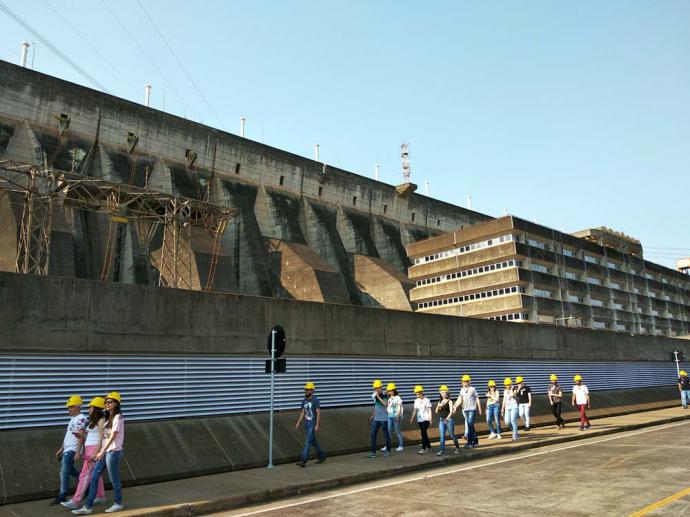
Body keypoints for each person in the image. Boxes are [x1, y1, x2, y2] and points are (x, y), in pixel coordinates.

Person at [73, 391, 125, 515]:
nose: (107, 404)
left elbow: (112, 436)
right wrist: (100, 451)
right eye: (106, 402)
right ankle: (88, 506)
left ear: (117, 403)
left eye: (110, 402)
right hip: (105, 451)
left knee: (114, 479)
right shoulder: (108, 418)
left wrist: (101, 451)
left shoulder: (118, 417)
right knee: (94, 477)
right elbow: (103, 436)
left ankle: (118, 503)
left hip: (112, 452)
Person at [61, 397, 107, 509]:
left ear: (97, 408)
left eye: (91, 407)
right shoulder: (92, 421)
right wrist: (81, 436)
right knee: (95, 475)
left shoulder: (101, 420)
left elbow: (102, 438)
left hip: (94, 450)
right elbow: (89, 436)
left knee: (84, 476)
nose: (89, 409)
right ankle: (101, 496)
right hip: (89, 449)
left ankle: (75, 500)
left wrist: (96, 453)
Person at [50, 395, 87, 506]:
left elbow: (81, 435)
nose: (68, 409)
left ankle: (62, 495)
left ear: (77, 406)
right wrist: (61, 449)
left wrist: (77, 451)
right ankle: (87, 484)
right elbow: (69, 435)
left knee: (64, 472)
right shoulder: (73, 419)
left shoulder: (81, 418)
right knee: (71, 471)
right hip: (68, 448)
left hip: (72, 449)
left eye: (70, 407)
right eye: (68, 407)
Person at [295, 382, 326, 467]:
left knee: (307, 442)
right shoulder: (304, 401)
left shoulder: (315, 400)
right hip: (307, 424)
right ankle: (322, 455)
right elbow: (302, 412)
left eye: (307, 390)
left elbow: (318, 413)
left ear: (312, 391)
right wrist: (298, 422)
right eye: (305, 389)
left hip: (312, 424)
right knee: (314, 442)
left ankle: (303, 460)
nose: (305, 391)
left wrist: (317, 425)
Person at [453, 374, 482, 448]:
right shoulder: (462, 390)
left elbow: (477, 399)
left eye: (466, 381)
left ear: (469, 382)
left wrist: (480, 409)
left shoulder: (473, 389)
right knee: (471, 426)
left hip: (472, 409)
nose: (464, 383)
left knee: (469, 426)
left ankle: (470, 443)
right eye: (463, 381)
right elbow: (460, 399)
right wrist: (455, 406)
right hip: (465, 410)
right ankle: (475, 441)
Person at [367, 380, 391, 458]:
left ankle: (388, 450)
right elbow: (376, 406)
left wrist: (377, 396)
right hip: (376, 418)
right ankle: (373, 452)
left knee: (386, 435)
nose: (376, 390)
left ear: (381, 387)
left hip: (384, 419)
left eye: (377, 388)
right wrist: (373, 415)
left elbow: (385, 404)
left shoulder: (385, 395)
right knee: (373, 434)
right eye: (375, 388)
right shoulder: (375, 395)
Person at [435, 385, 460, 455]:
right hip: (441, 420)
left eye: (444, 393)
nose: (443, 394)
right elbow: (436, 412)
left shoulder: (450, 401)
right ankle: (442, 450)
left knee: (452, 435)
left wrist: (447, 419)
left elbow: (451, 412)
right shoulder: (439, 401)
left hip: (449, 420)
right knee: (442, 436)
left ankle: (457, 447)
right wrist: (439, 405)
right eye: (442, 393)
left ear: (447, 393)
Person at [410, 385, 432, 454]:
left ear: (422, 392)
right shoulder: (416, 401)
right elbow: (414, 410)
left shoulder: (427, 400)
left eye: (418, 393)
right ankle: (428, 447)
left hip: (426, 419)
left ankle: (423, 448)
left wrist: (430, 419)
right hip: (419, 419)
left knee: (422, 432)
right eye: (416, 394)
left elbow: (430, 410)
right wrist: (412, 418)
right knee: (424, 433)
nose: (417, 395)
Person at [386, 383, 404, 452]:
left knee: (397, 431)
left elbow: (399, 407)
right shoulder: (390, 398)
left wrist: (397, 415)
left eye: (390, 390)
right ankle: (388, 445)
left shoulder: (397, 398)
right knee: (389, 431)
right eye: (388, 391)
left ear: (393, 391)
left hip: (396, 416)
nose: (389, 392)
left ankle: (401, 446)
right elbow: (389, 407)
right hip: (390, 416)